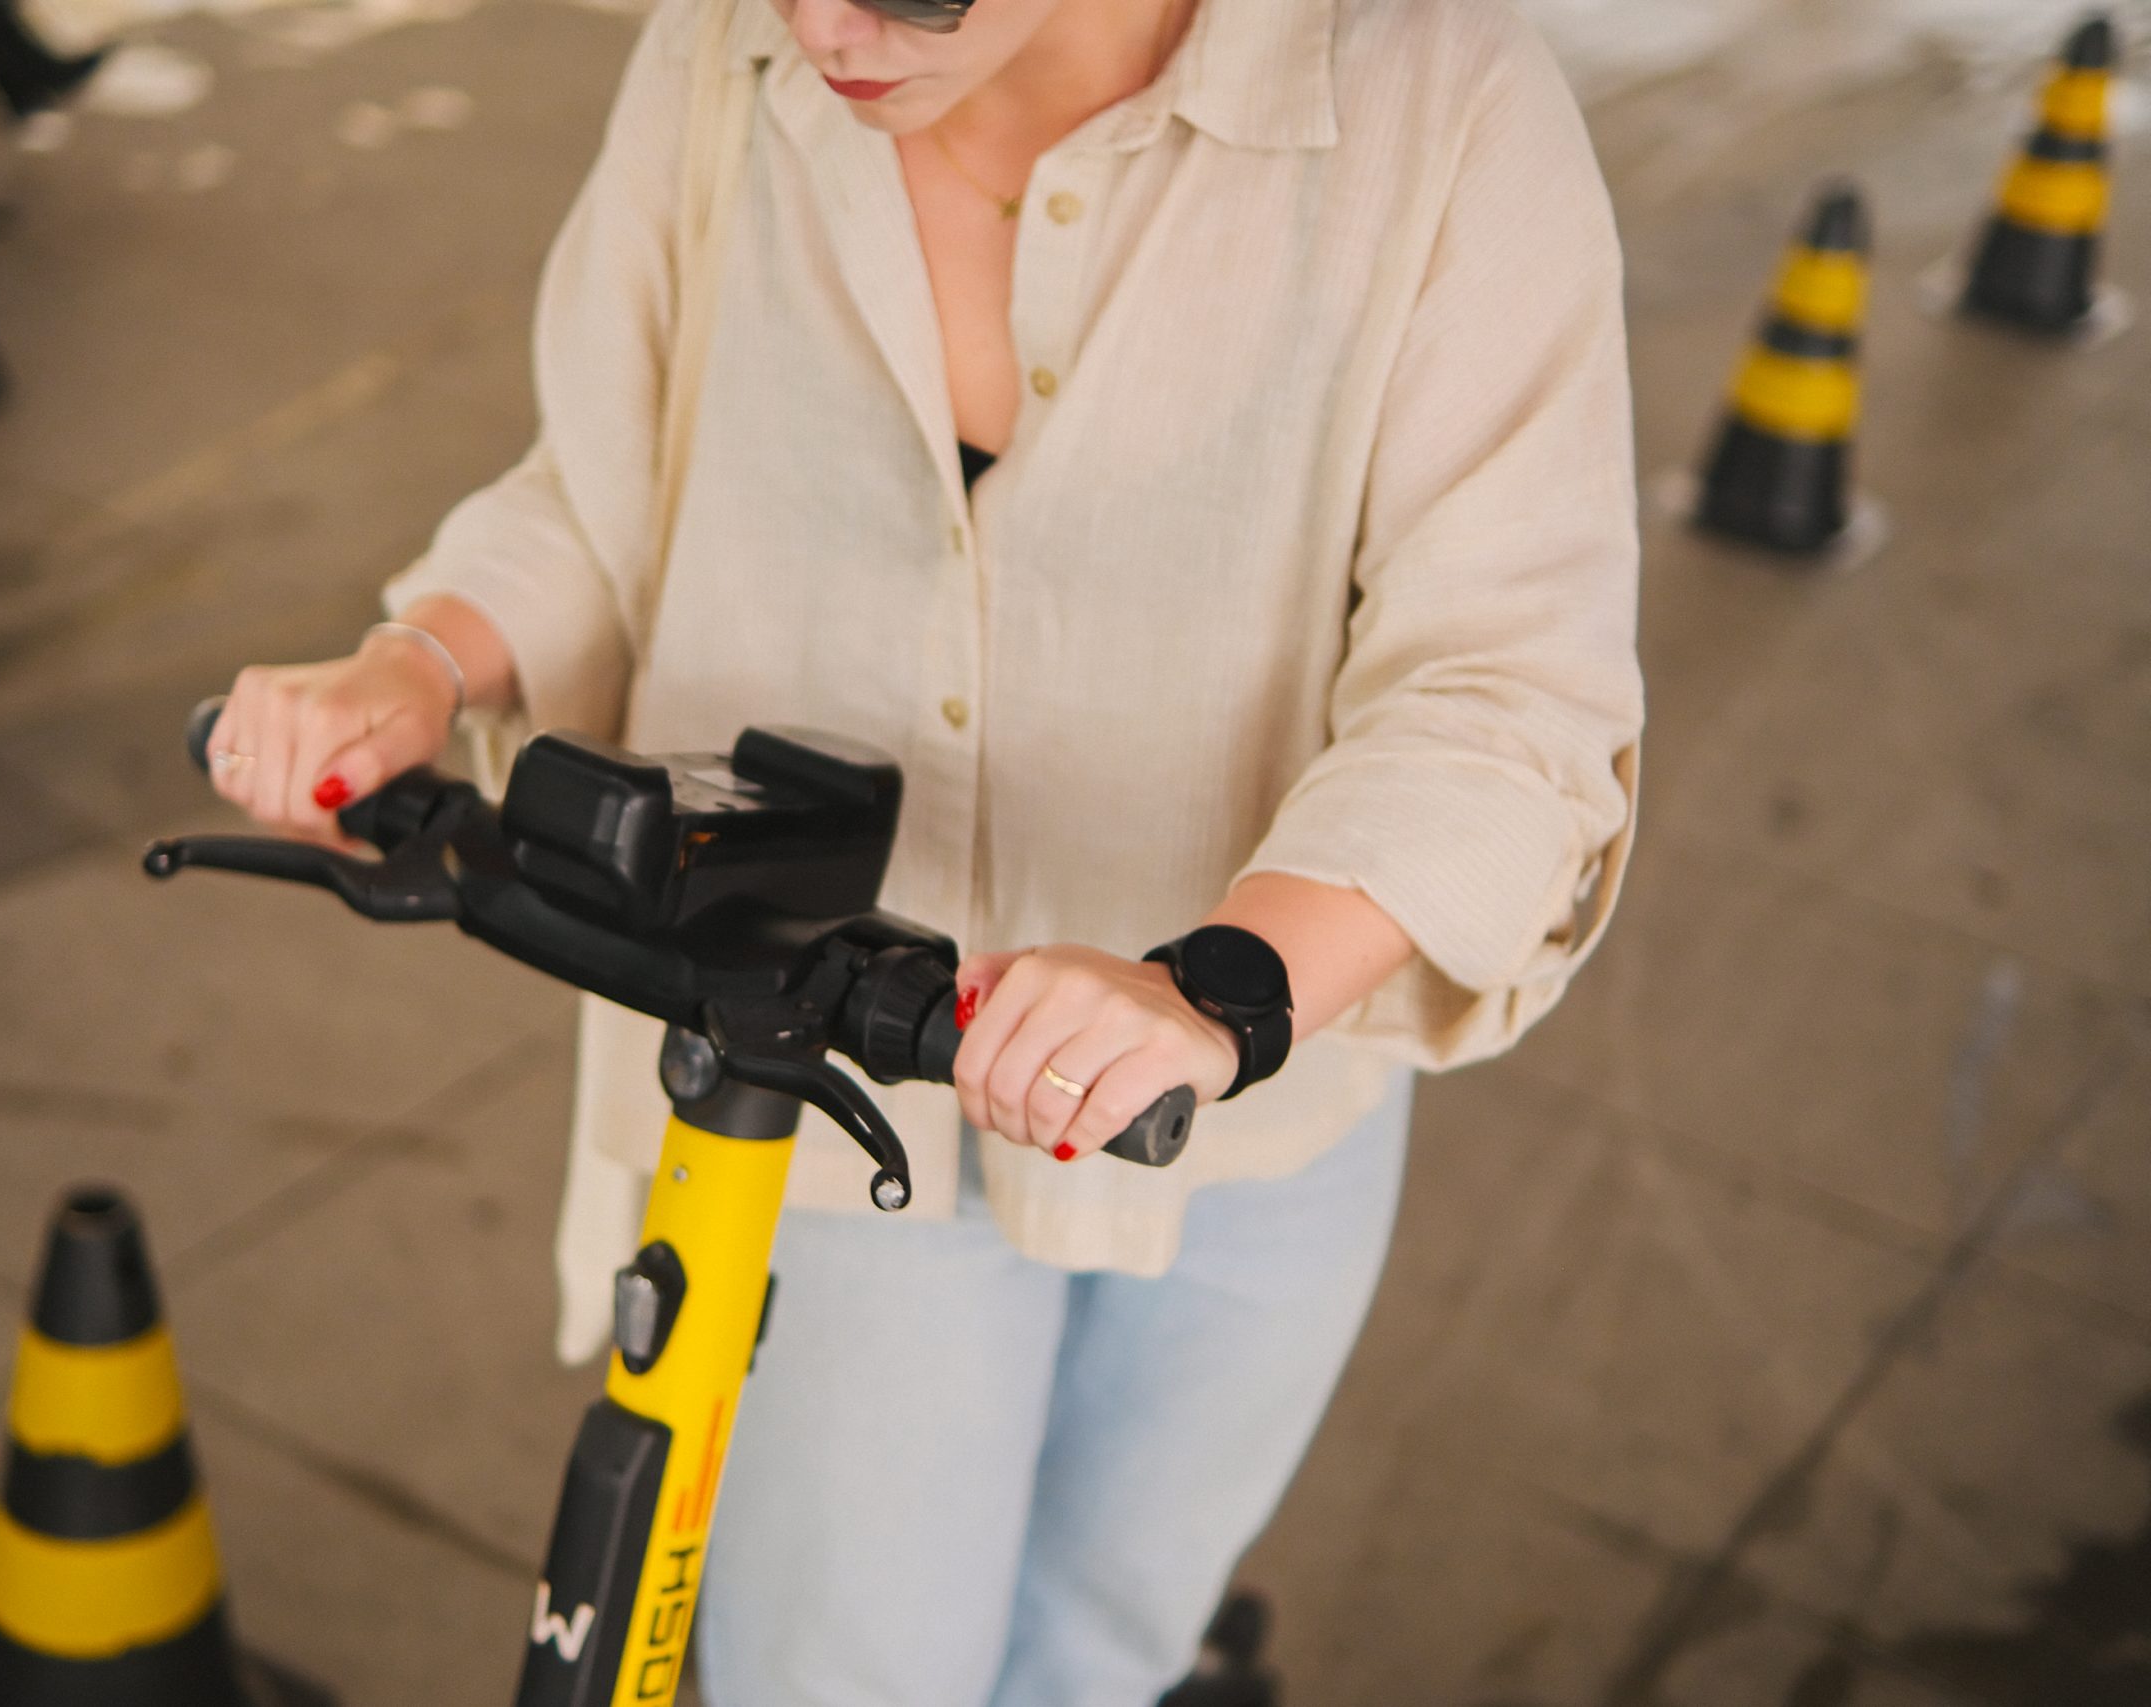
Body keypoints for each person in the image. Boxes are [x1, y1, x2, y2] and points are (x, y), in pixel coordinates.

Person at [201, 0, 1643, 1699]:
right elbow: (605, 483)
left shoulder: (1435, 103)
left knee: (1104, 1652)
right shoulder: (727, 54)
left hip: (1253, 1125)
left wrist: (1216, 985)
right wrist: (419, 664)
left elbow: (1507, 687)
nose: (824, 25)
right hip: (832, 1103)